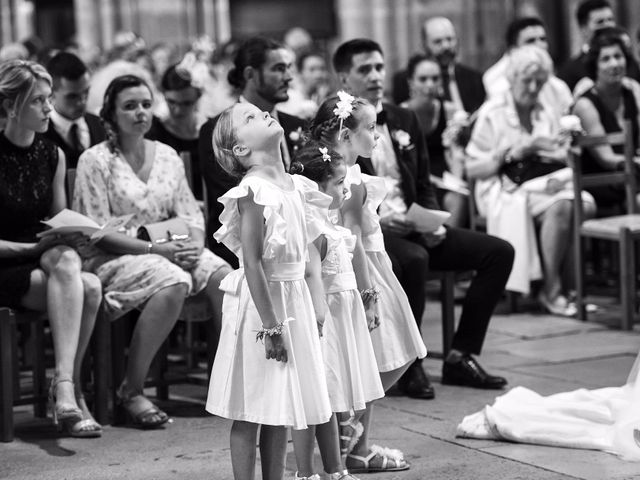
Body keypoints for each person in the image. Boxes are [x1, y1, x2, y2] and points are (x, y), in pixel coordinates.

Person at [334, 38, 514, 396]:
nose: (375, 76)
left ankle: (460, 356)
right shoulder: (337, 125)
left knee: (499, 252)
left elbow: (422, 180)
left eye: (380, 67)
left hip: (415, 223)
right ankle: (410, 364)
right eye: (364, 69)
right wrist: (380, 220)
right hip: (376, 230)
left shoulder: (404, 118)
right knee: (414, 259)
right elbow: (335, 193)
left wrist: (433, 220)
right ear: (344, 79)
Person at [73, 74, 232, 429]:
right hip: (116, 256)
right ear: (111, 115)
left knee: (225, 277)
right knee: (173, 280)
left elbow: (190, 213)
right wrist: (155, 249)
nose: (141, 112)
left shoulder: (168, 156)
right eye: (130, 106)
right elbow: (96, 232)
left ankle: (225, 385)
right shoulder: (95, 160)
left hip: (171, 246)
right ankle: (131, 390)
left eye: (146, 104)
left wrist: (192, 245)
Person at [205, 103, 332, 480]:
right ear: (239, 149)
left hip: (294, 298)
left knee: (279, 406)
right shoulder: (252, 190)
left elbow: (308, 250)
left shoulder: (296, 185)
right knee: (253, 405)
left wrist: (317, 298)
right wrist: (272, 326)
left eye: (259, 112)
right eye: (249, 118)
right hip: (266, 307)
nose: (261, 114)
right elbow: (253, 261)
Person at [309, 92, 423, 473]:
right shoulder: (349, 181)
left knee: (372, 357)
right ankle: (354, 436)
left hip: (354, 269)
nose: (377, 136)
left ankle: (354, 436)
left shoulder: (336, 172)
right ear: (345, 133)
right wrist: (368, 292)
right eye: (371, 129)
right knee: (391, 350)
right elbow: (354, 236)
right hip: (363, 271)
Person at [0, 60, 102, 437]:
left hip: (46, 261)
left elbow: (56, 218)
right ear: (12, 107)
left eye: (47, 99)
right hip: (6, 264)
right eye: (38, 101)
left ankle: (64, 391)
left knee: (74, 264)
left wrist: (75, 232)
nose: (48, 108)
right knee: (88, 289)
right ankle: (70, 391)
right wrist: (34, 246)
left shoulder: (52, 154)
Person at [467, 45, 595, 316]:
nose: (534, 87)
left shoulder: (546, 110)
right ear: (512, 79)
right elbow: (473, 167)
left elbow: (559, 155)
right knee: (563, 206)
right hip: (503, 186)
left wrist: (559, 150)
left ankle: (572, 289)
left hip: (543, 183)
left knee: (584, 203)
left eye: (540, 80)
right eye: (528, 80)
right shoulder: (493, 112)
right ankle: (552, 289)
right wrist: (514, 152)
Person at [289, 141, 384, 479]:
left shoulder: (333, 228)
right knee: (317, 398)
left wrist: (367, 298)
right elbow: (311, 276)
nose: (346, 189)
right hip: (326, 321)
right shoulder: (313, 231)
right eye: (339, 183)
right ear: (318, 188)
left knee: (331, 399)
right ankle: (306, 471)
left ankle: (336, 468)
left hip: (343, 320)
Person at [199, 36, 306, 267]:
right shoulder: (218, 131)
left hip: (300, 232)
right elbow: (229, 197)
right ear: (250, 74)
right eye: (278, 69)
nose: (288, 77)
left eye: (288, 68)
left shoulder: (297, 125)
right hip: (245, 242)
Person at [572, 27, 640, 211]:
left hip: (633, 176)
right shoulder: (586, 104)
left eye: (618, 56)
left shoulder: (633, 92)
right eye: (606, 59)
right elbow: (606, 158)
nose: (614, 64)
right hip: (603, 182)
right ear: (595, 66)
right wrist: (633, 162)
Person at [401, 54, 468, 227]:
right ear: (411, 82)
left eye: (435, 78)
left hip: (445, 177)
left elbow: (457, 152)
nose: (429, 85)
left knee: (458, 198)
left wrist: (456, 180)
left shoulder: (450, 111)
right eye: (422, 79)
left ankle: (449, 244)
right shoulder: (401, 113)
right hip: (415, 177)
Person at [483, 17, 573, 119]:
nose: (539, 45)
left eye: (543, 39)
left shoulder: (558, 87)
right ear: (513, 50)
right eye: (530, 41)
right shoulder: (498, 87)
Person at [392, 16, 485, 114]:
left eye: (449, 39)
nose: (446, 46)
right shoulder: (405, 80)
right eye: (438, 41)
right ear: (424, 45)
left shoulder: (474, 78)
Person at [146, 62, 206, 199]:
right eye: (171, 102)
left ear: (198, 97)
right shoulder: (154, 133)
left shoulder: (211, 131)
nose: (178, 110)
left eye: (186, 103)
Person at [44, 51, 106, 169]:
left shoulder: (100, 125)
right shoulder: (41, 134)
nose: (82, 102)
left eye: (86, 92)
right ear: (51, 93)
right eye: (72, 96)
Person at [557, 0, 624, 92]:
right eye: (600, 22)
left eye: (610, 20)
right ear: (583, 28)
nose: (608, 25)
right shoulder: (569, 73)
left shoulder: (628, 63)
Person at [277, 50, 330, 120]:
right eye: (312, 69)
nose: (318, 74)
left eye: (322, 69)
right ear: (300, 72)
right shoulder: (287, 97)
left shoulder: (329, 99)